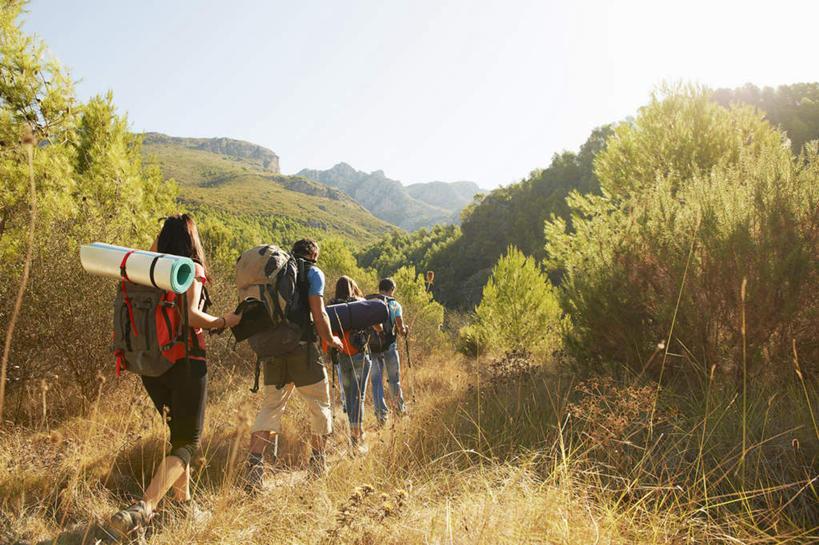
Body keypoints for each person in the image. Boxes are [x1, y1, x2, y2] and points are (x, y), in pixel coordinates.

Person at [106, 214, 241, 538]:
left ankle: (184, 505)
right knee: (189, 443)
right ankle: (144, 509)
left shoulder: (144, 272)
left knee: (177, 438)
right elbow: (193, 317)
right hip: (186, 362)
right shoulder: (190, 270)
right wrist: (226, 320)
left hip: (149, 366)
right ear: (191, 241)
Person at [244, 238, 344, 489]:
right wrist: (331, 339)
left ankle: (254, 471)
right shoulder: (313, 272)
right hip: (303, 349)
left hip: (273, 349)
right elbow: (319, 313)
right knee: (319, 404)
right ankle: (318, 466)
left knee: (270, 408)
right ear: (313, 253)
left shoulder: (275, 274)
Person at [325, 276, 373, 455]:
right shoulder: (359, 303)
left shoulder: (331, 305)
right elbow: (376, 327)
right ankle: (356, 436)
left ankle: (354, 435)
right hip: (360, 355)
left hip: (342, 356)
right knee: (357, 397)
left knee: (348, 397)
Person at [369, 278, 409, 426]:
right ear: (391, 289)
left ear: (379, 289)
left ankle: (381, 416)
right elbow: (400, 330)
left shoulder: (370, 303)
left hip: (372, 348)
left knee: (376, 382)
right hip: (389, 347)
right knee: (394, 380)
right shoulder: (394, 305)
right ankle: (400, 411)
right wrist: (405, 329)